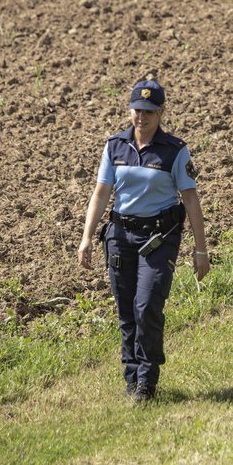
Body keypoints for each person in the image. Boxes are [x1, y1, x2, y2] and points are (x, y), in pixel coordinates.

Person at [78, 79, 210, 401]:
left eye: (149, 111)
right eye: (138, 110)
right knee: (126, 310)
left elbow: (191, 199)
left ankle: (147, 382)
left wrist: (200, 249)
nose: (142, 117)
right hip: (121, 237)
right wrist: (87, 239)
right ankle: (131, 378)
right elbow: (101, 193)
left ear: (161, 112)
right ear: (130, 110)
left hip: (159, 237)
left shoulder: (174, 151)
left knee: (146, 305)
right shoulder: (115, 146)